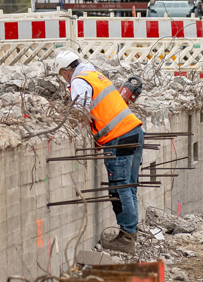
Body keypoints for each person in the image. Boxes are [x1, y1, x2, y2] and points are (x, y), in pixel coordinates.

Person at [56, 49, 145, 255]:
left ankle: (127, 238)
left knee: (120, 188)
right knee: (129, 188)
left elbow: (81, 111)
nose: (63, 79)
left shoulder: (78, 81)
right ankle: (130, 234)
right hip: (134, 131)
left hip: (119, 138)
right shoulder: (95, 75)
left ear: (65, 71)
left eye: (62, 75)